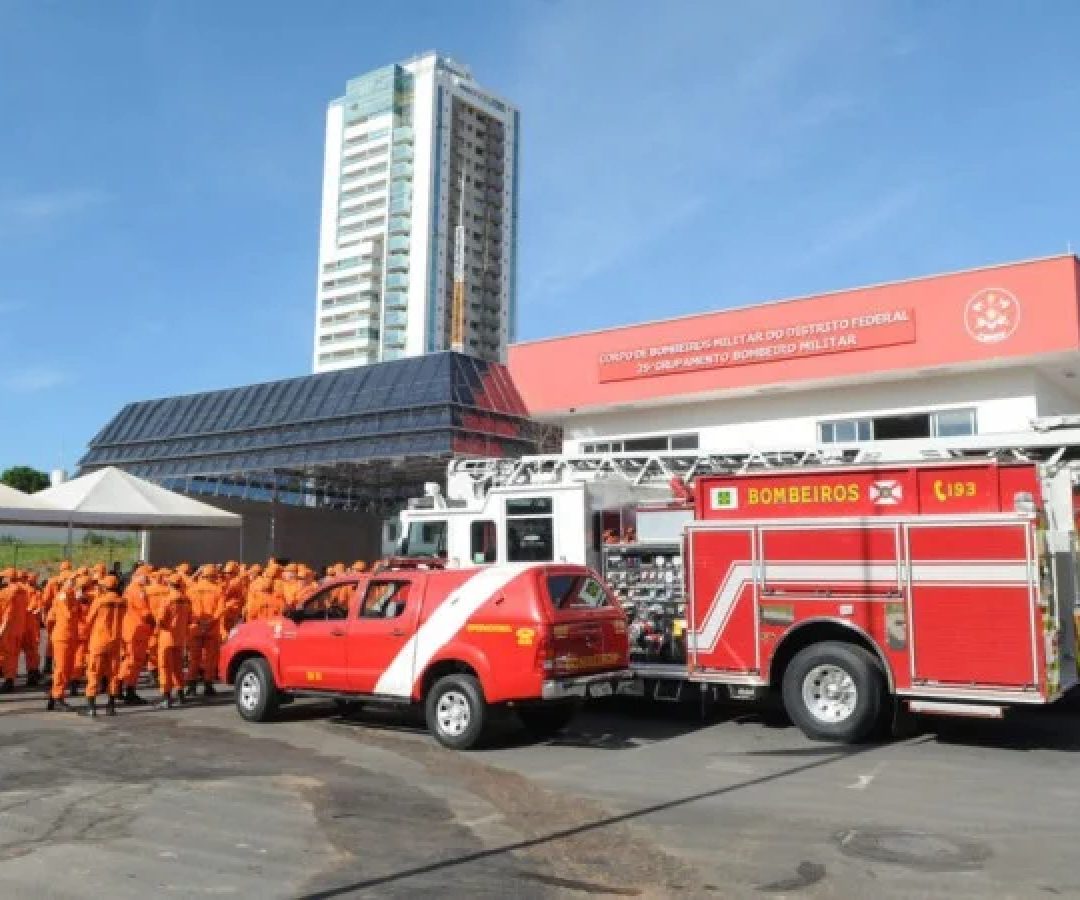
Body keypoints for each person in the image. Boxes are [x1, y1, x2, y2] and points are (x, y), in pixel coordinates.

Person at [81, 575, 126, 718]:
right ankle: (111, 706)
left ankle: (91, 707)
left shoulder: (100, 601)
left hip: (99, 641)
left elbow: (89, 620)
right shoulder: (123, 601)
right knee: (113, 674)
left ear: (105, 587)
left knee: (94, 673)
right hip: (115, 642)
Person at [45, 577, 83, 711]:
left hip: (69, 636)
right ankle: (57, 697)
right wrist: (76, 601)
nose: (73, 584)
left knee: (66, 669)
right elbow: (68, 615)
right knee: (62, 669)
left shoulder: (70, 596)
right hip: (62, 637)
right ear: (64, 583)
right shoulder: (62, 596)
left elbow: (50, 618)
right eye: (70, 581)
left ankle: (54, 696)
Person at [153, 573, 191, 709]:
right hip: (180, 638)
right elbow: (190, 620)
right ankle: (181, 694)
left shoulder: (167, 599)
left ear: (170, 584)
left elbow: (161, 619)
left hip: (167, 637)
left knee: (164, 668)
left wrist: (159, 627)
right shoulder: (186, 600)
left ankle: (166, 697)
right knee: (178, 668)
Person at [118, 566, 155, 705]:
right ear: (140, 576)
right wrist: (155, 622)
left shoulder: (130, 589)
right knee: (134, 662)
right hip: (137, 630)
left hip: (130, 630)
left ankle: (118, 688)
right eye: (147, 576)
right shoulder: (138, 591)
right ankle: (129, 691)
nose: (149, 579)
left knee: (128, 661)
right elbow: (145, 613)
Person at [186, 566, 225, 697]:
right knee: (210, 659)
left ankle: (191, 686)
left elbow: (188, 609)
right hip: (211, 629)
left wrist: (197, 622)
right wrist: (210, 622)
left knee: (194, 659)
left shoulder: (192, 589)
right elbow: (221, 609)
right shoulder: (218, 589)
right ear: (213, 575)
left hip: (195, 627)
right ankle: (208, 686)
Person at [0, 568, 28, 693]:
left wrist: (2, 629)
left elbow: (8, 613)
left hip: (9, 629)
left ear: (8, 578)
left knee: (7, 655)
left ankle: (8, 681)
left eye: (3, 577)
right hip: (19, 628)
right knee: (14, 655)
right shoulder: (23, 591)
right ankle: (10, 678)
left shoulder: (6, 593)